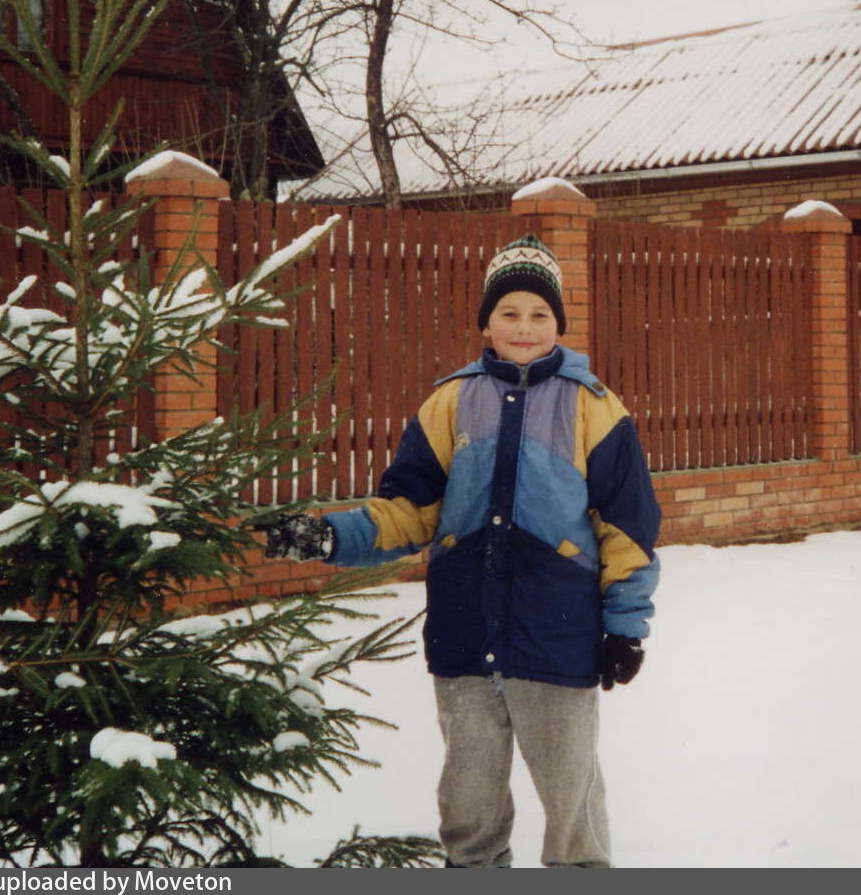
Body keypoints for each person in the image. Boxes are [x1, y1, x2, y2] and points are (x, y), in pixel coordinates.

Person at [262, 233, 660, 869]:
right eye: (509, 312)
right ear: (486, 320)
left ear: (558, 321)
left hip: (556, 629)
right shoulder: (449, 401)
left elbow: (628, 528)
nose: (524, 327)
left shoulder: (595, 408)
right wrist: (333, 534)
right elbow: (410, 509)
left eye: (539, 314)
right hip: (465, 629)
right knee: (467, 804)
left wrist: (625, 626)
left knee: (571, 800)